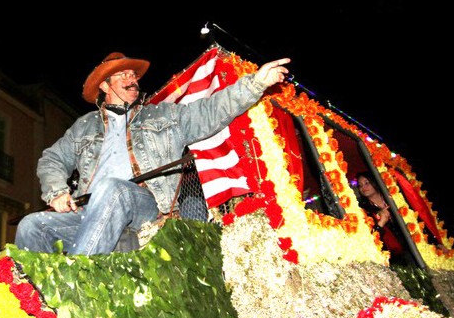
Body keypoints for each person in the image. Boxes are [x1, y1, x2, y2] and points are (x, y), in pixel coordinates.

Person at [15, 52, 290, 255]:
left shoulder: (163, 115)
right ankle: (31, 301)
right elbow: (52, 159)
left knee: (115, 189)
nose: (131, 79)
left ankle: (77, 278)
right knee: (31, 225)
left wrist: (256, 83)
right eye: (122, 75)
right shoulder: (83, 126)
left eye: (133, 75)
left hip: (145, 208)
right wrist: (56, 192)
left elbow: (209, 112)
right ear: (104, 86)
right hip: (89, 213)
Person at [356, 171, 404, 257]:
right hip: (390, 254)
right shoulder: (362, 210)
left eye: (367, 183)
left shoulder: (391, 197)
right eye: (360, 185)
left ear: (375, 182)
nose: (363, 187)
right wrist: (381, 223)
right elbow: (369, 239)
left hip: (410, 243)